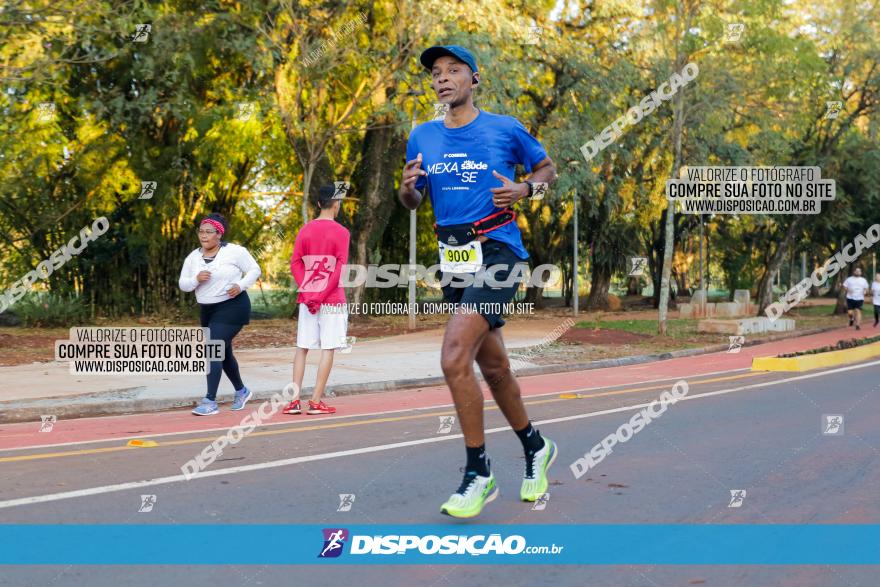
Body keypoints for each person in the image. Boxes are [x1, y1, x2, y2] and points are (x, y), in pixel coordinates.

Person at [399, 45, 559, 518]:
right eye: (436, 73)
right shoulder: (421, 137)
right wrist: (407, 191)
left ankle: (478, 473)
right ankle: (536, 446)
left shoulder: (504, 128)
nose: (443, 78)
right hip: (454, 258)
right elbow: (412, 200)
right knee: (495, 369)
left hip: (498, 251)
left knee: (453, 357)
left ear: (475, 79)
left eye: (453, 71)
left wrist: (528, 188)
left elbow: (549, 170)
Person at [179, 213, 261, 415]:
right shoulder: (193, 257)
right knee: (223, 353)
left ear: (219, 234)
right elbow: (183, 284)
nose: (204, 235)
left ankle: (210, 401)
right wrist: (196, 279)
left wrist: (240, 285)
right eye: (201, 231)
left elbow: (254, 270)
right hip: (207, 310)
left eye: (209, 232)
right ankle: (242, 391)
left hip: (233, 306)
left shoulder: (234, 252)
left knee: (213, 349)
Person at [285, 185, 350, 416]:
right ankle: (315, 401)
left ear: (319, 203)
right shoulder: (342, 232)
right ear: (336, 204)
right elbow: (340, 268)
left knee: (302, 347)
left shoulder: (305, 230)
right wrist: (321, 294)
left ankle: (293, 402)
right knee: (328, 347)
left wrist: (309, 290)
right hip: (331, 299)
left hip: (307, 299)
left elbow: (295, 263)